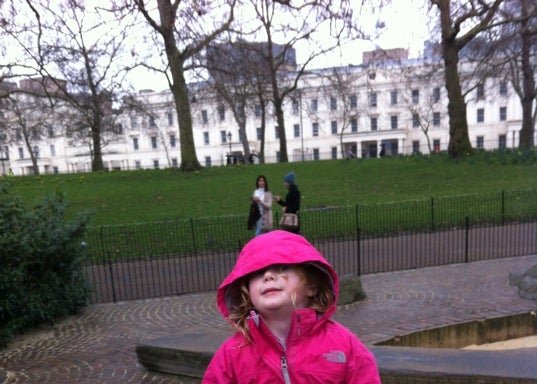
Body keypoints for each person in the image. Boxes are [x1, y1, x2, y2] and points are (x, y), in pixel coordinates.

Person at [202, 230, 381, 383]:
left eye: (282, 268)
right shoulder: (232, 354)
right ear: (247, 293)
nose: (268, 276)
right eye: (256, 272)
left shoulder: (344, 345)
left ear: (311, 286)